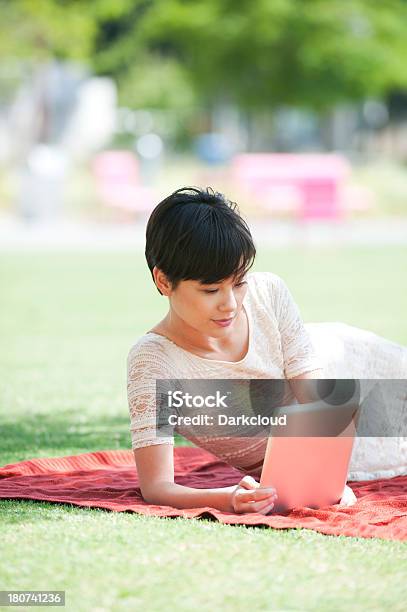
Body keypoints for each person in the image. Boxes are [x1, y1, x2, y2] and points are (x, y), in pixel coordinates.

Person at [127, 187, 407, 515]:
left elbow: (321, 402)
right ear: (163, 281)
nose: (229, 304)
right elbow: (157, 487)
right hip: (328, 451)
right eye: (211, 289)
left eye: (239, 282)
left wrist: (324, 474)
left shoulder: (268, 293)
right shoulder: (153, 362)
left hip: (356, 370)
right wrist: (227, 497)